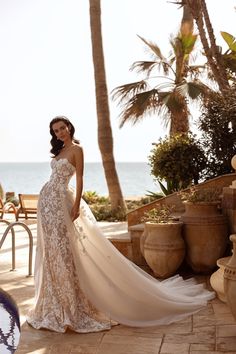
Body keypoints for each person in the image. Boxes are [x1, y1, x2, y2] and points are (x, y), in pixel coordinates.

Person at [27, 115, 215, 333]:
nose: (59, 132)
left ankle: (71, 306)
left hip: (63, 203)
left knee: (64, 252)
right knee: (52, 253)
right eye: (55, 130)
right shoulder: (58, 151)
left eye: (62, 128)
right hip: (48, 207)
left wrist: (76, 205)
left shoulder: (77, 150)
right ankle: (53, 303)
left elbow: (80, 179)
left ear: (69, 127)